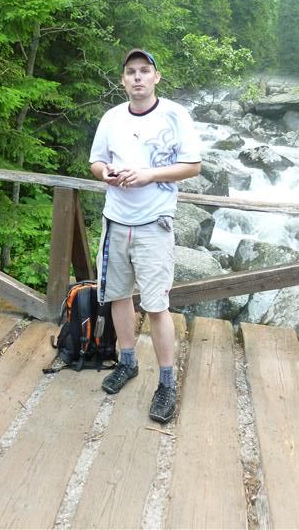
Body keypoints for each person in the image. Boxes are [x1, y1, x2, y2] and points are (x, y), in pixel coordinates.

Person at [89, 48, 201, 423]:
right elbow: (96, 161)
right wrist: (105, 173)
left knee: (156, 305)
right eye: (130, 72)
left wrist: (148, 175)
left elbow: (193, 166)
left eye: (144, 70)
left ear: (156, 77)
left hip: (155, 223)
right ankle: (127, 361)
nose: (137, 77)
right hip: (115, 221)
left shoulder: (175, 115)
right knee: (118, 296)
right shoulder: (111, 118)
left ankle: (167, 382)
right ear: (123, 80)